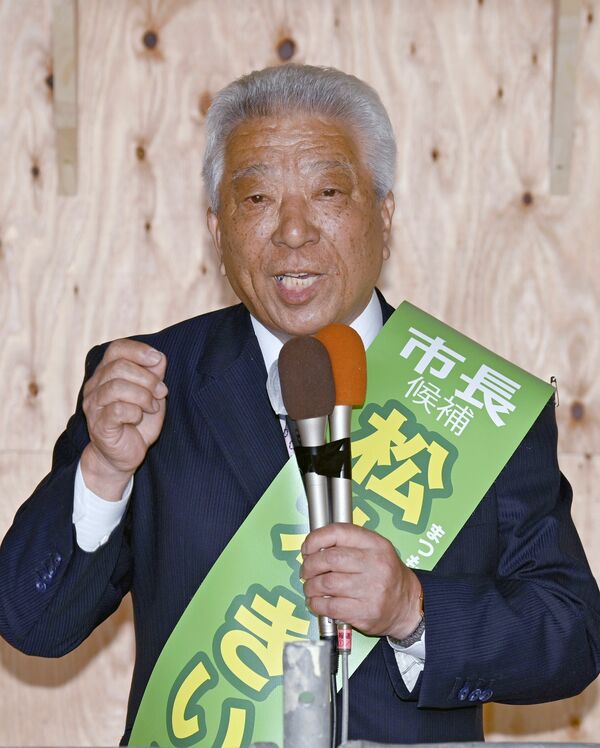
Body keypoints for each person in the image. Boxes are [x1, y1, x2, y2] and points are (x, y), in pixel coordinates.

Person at [1, 64, 599, 746]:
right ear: (217, 227)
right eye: (257, 197)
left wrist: (413, 610)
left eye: (327, 191)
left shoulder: (477, 401)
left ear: (383, 215)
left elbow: (573, 634)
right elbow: (33, 621)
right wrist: (104, 472)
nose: (292, 230)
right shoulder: (150, 383)